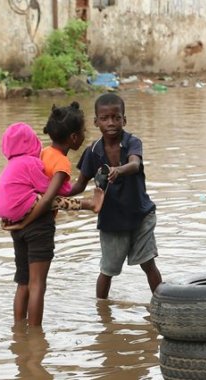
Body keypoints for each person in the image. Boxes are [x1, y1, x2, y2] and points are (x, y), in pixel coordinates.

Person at [67, 93, 162, 299]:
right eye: (105, 118)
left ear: (124, 120)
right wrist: (54, 193)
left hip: (140, 216)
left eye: (116, 117)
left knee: (148, 264)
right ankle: (102, 312)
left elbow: (135, 164)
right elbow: (79, 185)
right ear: (96, 122)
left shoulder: (132, 142)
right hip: (111, 221)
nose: (111, 122)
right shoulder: (92, 151)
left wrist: (119, 170)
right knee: (107, 270)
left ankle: (163, 304)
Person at [0, 122, 59, 326]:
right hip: (37, 227)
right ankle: (35, 336)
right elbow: (50, 191)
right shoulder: (31, 163)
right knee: (38, 283)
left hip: (16, 227)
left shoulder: (10, 167)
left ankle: (18, 332)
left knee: (23, 283)